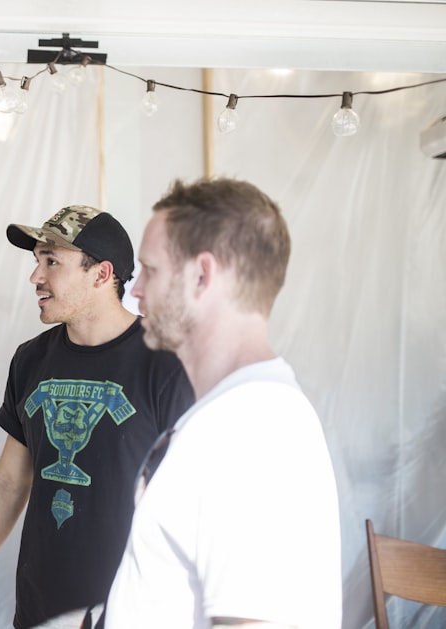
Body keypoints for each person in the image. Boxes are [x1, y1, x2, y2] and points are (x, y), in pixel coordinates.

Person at [0, 206, 194, 629]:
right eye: (37, 261)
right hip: (40, 612)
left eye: (52, 262)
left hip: (135, 611)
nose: (36, 277)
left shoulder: (166, 363)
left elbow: (200, 500)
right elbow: (11, 483)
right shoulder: (31, 360)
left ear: (102, 275)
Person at [102, 178, 342, 628]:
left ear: (201, 276)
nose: (135, 290)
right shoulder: (234, 415)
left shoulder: (249, 430)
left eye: (150, 270)